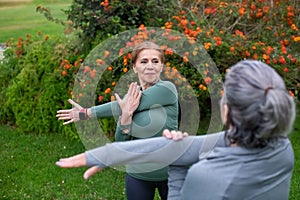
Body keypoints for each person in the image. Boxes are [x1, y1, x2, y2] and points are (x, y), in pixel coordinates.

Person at [56, 60, 296, 200]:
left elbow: (184, 160)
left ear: (227, 112)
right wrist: (112, 153)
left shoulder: (208, 177)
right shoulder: (280, 147)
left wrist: (177, 163)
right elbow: (194, 146)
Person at [56, 41, 179, 200]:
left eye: (155, 61)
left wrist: (85, 113)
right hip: (137, 173)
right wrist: (126, 116)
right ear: (134, 67)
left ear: (161, 66)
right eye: (144, 61)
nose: (150, 66)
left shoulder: (167, 89)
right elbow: (120, 141)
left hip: (170, 173)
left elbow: (124, 105)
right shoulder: (128, 101)